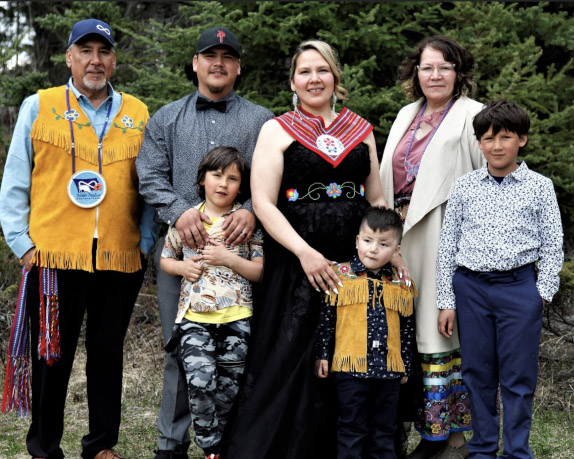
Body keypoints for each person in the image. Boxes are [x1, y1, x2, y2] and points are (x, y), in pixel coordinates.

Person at [222, 40, 399, 459]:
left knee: (354, 350)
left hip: (358, 261)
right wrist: (305, 253)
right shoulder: (278, 129)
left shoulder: (361, 129)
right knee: (294, 354)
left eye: (322, 70)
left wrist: (394, 254)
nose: (314, 79)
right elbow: (263, 202)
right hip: (297, 260)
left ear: (336, 77)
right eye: (305, 72)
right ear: (293, 82)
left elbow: (377, 200)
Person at [0, 19, 157, 459]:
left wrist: (144, 243)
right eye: (85, 50)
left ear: (113, 60)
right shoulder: (39, 105)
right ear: (69, 57)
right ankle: (45, 447)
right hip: (53, 255)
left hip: (119, 255)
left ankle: (101, 446)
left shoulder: (138, 114)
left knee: (107, 352)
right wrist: (23, 244)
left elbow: (149, 185)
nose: (95, 60)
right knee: (51, 353)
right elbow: (14, 183)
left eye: (103, 51)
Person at [135, 26, 273, 459]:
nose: (218, 63)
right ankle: (171, 443)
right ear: (195, 63)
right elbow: (149, 175)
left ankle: (233, 440)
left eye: (227, 56)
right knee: (182, 347)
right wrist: (180, 210)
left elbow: (276, 176)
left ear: (237, 68)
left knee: (239, 351)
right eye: (209, 55)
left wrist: (251, 207)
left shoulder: (262, 121)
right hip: (184, 255)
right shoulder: (166, 118)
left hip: (243, 254)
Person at [436, 100, 563, 458]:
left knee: (518, 377)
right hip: (471, 289)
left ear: (521, 139)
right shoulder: (464, 187)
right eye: (488, 138)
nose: (496, 145)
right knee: (477, 373)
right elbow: (447, 246)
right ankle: (483, 449)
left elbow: (554, 245)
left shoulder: (539, 186)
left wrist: (541, 293)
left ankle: (517, 451)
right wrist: (446, 300)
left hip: (519, 289)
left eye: (505, 137)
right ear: (479, 143)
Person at [379, 35, 484, 458]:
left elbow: (487, 185)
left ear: (458, 73)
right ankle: (399, 429)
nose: (435, 74)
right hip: (398, 239)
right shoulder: (407, 114)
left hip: (444, 237)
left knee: (440, 336)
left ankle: (448, 437)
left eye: (444, 66)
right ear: (415, 74)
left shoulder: (472, 115)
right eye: (426, 67)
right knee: (400, 337)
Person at [160, 147, 263, 459]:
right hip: (195, 318)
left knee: (229, 389)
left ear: (241, 187)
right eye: (217, 176)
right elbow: (167, 259)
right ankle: (210, 448)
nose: (223, 184)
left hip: (237, 318)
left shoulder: (246, 224)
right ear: (202, 179)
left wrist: (227, 258)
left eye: (232, 179)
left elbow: (259, 271)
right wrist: (182, 268)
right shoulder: (188, 220)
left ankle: (225, 441)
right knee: (200, 382)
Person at [314, 207, 417, 459]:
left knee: (383, 430)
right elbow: (326, 321)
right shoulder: (340, 276)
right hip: (350, 371)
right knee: (351, 428)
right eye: (368, 240)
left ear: (396, 250)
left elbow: (406, 327)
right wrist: (323, 355)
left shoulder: (400, 283)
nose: (373, 249)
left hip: (389, 373)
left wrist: (404, 364)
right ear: (357, 240)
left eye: (384, 244)